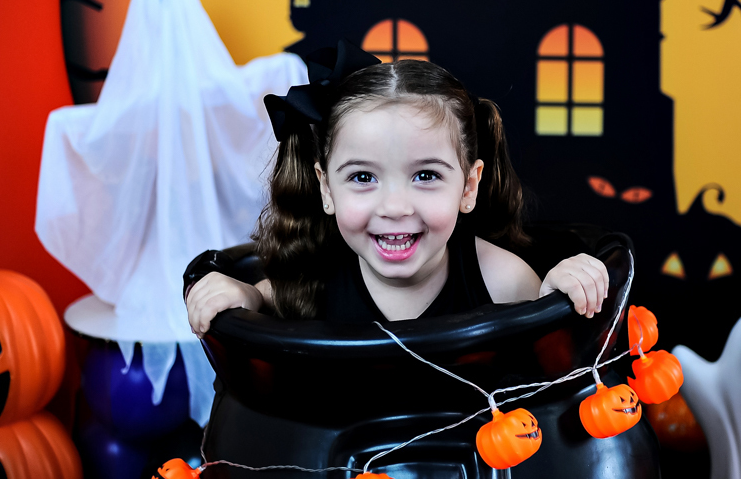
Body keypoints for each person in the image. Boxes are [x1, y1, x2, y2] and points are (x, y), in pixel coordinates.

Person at [185, 43, 609, 333]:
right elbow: (259, 298)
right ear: (326, 189)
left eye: (426, 176)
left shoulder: (503, 281)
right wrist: (242, 294)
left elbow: (544, 370)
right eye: (362, 178)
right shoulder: (311, 280)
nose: (394, 206)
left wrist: (556, 294)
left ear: (468, 187)